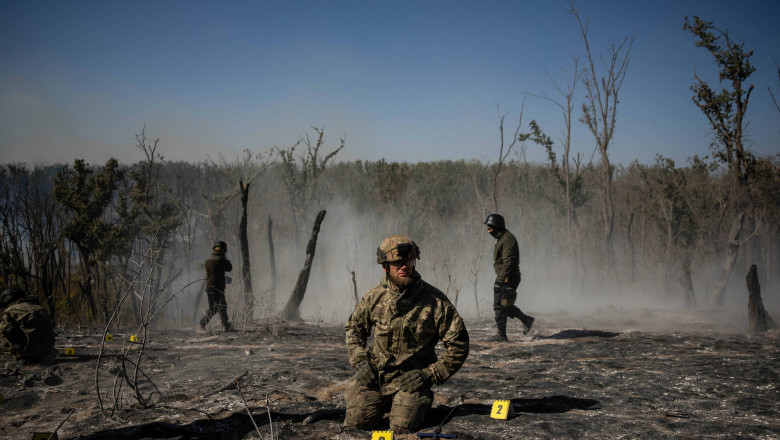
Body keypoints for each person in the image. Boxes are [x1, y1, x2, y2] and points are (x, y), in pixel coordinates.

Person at [344, 234, 469, 434]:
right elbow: (354, 330)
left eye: (409, 262)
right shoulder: (373, 298)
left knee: (402, 428)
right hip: (377, 376)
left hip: (412, 380)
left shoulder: (436, 302)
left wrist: (429, 375)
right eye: (398, 263)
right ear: (385, 267)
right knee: (357, 424)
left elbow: (459, 345)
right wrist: (360, 361)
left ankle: (416, 403)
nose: (405, 267)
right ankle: (385, 403)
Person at [484, 214, 534, 341]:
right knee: (504, 304)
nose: (489, 231)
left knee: (499, 305)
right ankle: (526, 319)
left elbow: (508, 262)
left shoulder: (507, 239)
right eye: (488, 229)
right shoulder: (501, 238)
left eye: (490, 228)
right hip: (506, 276)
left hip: (508, 277)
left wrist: (500, 281)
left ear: (497, 226)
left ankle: (501, 335)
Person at [0, 286, 57, 364]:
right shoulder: (39, 307)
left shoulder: (9, 311)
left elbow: (5, 331)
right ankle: (44, 353)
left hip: (28, 351)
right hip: (46, 348)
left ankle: (21, 355)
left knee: (4, 329)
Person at [198, 240, 234, 333]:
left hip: (210, 287)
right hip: (217, 287)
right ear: (223, 250)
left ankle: (226, 326)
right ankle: (201, 325)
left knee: (221, 306)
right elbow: (229, 268)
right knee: (215, 308)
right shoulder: (220, 259)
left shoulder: (208, 260)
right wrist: (226, 259)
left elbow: (214, 273)